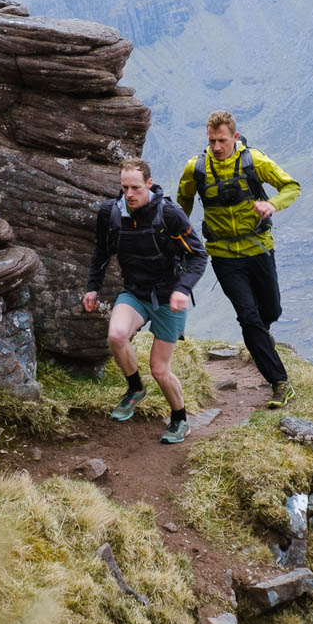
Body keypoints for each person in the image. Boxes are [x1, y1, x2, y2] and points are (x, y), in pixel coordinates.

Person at [177, 110, 301, 409]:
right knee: (248, 317)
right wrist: (181, 235)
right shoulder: (197, 168)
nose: (216, 147)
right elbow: (183, 202)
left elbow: (291, 186)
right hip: (223, 255)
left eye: (221, 140)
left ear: (234, 137)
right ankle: (280, 383)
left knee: (270, 310)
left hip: (259, 248)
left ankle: (262, 335)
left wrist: (271, 204)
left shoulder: (253, 161)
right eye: (211, 141)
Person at [83, 157, 208, 444]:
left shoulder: (169, 214)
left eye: (135, 188)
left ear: (149, 184)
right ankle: (135, 389)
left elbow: (198, 256)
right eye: (124, 187)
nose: (129, 194)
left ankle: (179, 420)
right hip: (135, 292)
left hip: (168, 297)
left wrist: (183, 289)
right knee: (116, 335)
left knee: (160, 369)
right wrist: (93, 288)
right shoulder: (110, 213)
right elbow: (101, 253)